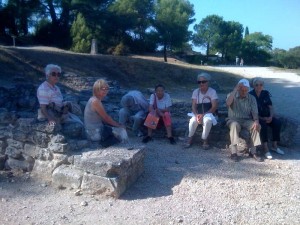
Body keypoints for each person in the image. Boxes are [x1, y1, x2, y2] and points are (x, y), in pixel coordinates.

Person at [226, 78, 262, 162]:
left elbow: (254, 111)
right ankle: (234, 152)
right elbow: (228, 103)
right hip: (233, 119)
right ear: (239, 89)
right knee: (234, 125)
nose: (244, 92)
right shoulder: (232, 95)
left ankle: (253, 152)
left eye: (246, 90)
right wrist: (235, 90)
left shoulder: (251, 98)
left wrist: (256, 120)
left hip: (246, 120)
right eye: (242, 90)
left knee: (256, 126)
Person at [249, 77, 284, 159]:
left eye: (261, 85)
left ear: (263, 85)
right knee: (263, 126)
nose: (259, 86)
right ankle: (266, 149)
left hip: (267, 116)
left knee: (277, 123)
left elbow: (270, 107)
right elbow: (251, 111)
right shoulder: (250, 95)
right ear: (253, 86)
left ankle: (274, 145)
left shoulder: (265, 93)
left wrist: (271, 117)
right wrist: (262, 118)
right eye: (256, 85)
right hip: (257, 117)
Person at [84, 79, 125, 146]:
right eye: (103, 89)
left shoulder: (94, 99)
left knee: (115, 129)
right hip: (94, 133)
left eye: (107, 88)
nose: (106, 91)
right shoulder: (95, 101)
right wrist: (118, 125)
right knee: (121, 131)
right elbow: (106, 118)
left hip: (94, 130)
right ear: (97, 89)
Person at [184, 72, 218, 150]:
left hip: (209, 113)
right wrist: (196, 115)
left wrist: (203, 115)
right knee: (193, 121)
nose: (201, 83)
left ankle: (204, 139)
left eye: (203, 81)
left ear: (208, 82)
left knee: (208, 121)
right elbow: (193, 106)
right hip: (198, 113)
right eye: (199, 82)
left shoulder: (212, 92)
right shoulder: (196, 92)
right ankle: (190, 138)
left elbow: (214, 107)